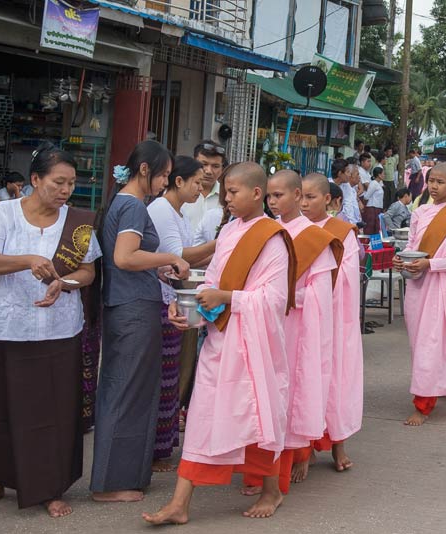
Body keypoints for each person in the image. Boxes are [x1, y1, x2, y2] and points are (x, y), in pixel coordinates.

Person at [143, 162, 295, 525]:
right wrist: (187, 306)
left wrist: (228, 296)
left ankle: (271, 490)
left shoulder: (273, 237)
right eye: (225, 192)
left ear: (256, 194)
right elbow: (209, 280)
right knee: (202, 416)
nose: (225, 199)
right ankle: (180, 504)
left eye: (233, 192)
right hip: (220, 339)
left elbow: (274, 299)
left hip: (253, 346)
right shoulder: (227, 233)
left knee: (257, 415)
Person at [0, 143, 102, 517]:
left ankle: (51, 486)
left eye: (71, 183)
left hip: (60, 330)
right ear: (35, 179)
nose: (66, 190)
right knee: (6, 409)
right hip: (11, 327)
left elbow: (87, 272)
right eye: (58, 182)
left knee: (57, 410)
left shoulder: (75, 222)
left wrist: (66, 283)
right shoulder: (4, 213)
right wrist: (27, 260)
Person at [91, 140, 190, 503]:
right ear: (145, 170)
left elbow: (129, 260)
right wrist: (171, 258)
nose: (166, 182)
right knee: (128, 392)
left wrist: (157, 266)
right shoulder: (133, 206)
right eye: (164, 175)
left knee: (125, 389)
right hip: (133, 309)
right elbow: (125, 257)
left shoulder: (122, 201)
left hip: (128, 304)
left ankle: (121, 477)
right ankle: (111, 484)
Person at [258, 170, 339, 494]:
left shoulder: (316, 237)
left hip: (298, 327)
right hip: (266, 321)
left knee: (295, 390)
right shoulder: (267, 230)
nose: (303, 203)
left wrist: (286, 297)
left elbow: (321, 294)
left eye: (307, 197)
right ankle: (260, 466)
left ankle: (296, 456)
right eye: (271, 196)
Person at [147, 156, 218, 472]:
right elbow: (178, 255)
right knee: (163, 376)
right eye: (196, 182)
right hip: (162, 299)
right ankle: (155, 447)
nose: (200, 188)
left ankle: (162, 446)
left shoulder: (179, 211)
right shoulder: (162, 210)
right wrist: (220, 243)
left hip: (175, 296)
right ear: (178, 181)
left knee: (173, 374)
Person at [393, 163, 446, 425]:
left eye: (441, 182)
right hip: (417, 286)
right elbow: (412, 244)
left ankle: (423, 404)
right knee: (421, 344)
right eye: (431, 181)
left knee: (430, 345)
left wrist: (431, 264)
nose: (434, 186)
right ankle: (433, 386)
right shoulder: (420, 212)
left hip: (440, 288)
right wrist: (402, 258)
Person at [300, 172, 364, 476]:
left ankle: (338, 443)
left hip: (334, 319)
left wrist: (321, 300)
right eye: (300, 196)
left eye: (311, 197)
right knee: (304, 381)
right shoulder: (292, 229)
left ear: (328, 199)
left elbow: (348, 279)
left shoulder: (343, 231)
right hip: (301, 318)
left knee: (335, 380)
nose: (304, 203)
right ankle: (303, 449)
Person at [181, 140, 227, 233]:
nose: (208, 171)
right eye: (203, 164)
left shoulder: (227, 197)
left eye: (215, 166)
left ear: (222, 168)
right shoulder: (178, 191)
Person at [332, 158, 361, 225]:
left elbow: (348, 204)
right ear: (340, 173)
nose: (349, 175)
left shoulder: (346, 186)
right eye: (347, 172)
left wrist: (353, 223)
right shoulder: (328, 185)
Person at [361, 167, 385, 234]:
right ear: (379, 175)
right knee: (370, 226)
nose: (384, 175)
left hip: (378, 207)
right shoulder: (373, 183)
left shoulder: (379, 184)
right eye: (383, 174)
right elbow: (366, 196)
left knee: (376, 226)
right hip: (372, 207)